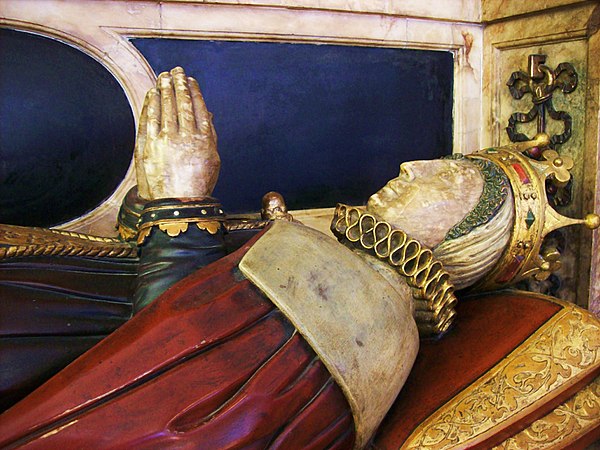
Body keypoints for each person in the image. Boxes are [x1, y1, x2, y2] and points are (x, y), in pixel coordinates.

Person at [0, 67, 598, 449]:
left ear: (461, 241)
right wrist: (157, 206)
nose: (413, 166)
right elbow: (149, 296)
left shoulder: (365, 314)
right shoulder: (339, 261)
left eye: (447, 179)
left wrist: (178, 211)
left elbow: (174, 403)